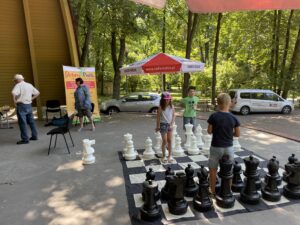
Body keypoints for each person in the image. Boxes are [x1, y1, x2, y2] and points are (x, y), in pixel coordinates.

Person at [207, 93, 240, 197]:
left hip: (216, 146)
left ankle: (212, 191)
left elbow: (209, 131)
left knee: (213, 169)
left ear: (218, 103)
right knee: (228, 171)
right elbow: (238, 134)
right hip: (228, 148)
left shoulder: (213, 116)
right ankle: (227, 191)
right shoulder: (234, 118)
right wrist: (230, 133)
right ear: (229, 103)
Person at [11, 74, 40, 144]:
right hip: (29, 105)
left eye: (15, 80)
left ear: (17, 80)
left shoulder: (18, 85)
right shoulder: (29, 85)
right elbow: (37, 93)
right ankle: (34, 136)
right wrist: (31, 99)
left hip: (21, 105)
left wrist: (14, 101)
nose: (14, 82)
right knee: (31, 122)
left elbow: (13, 93)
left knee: (22, 123)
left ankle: (25, 139)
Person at [155, 92, 176, 163]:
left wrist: (171, 124)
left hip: (169, 125)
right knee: (165, 141)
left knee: (170, 140)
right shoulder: (160, 107)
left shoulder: (172, 106)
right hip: (163, 125)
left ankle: (170, 156)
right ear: (163, 100)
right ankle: (164, 156)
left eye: (169, 99)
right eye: (166, 100)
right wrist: (157, 126)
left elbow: (174, 115)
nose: (167, 101)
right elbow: (158, 118)